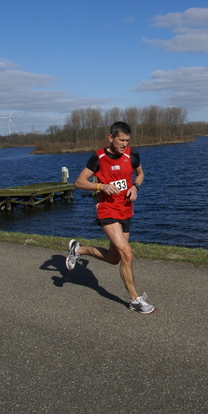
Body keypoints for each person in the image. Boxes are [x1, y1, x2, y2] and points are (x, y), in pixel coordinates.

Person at [65, 121, 155, 314]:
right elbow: (79, 182)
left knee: (115, 258)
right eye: (121, 140)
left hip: (126, 210)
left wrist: (135, 187)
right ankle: (135, 300)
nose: (124, 144)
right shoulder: (98, 158)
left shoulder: (132, 155)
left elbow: (140, 174)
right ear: (111, 138)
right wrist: (101, 186)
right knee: (127, 254)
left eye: (127, 140)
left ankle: (78, 249)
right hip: (107, 209)